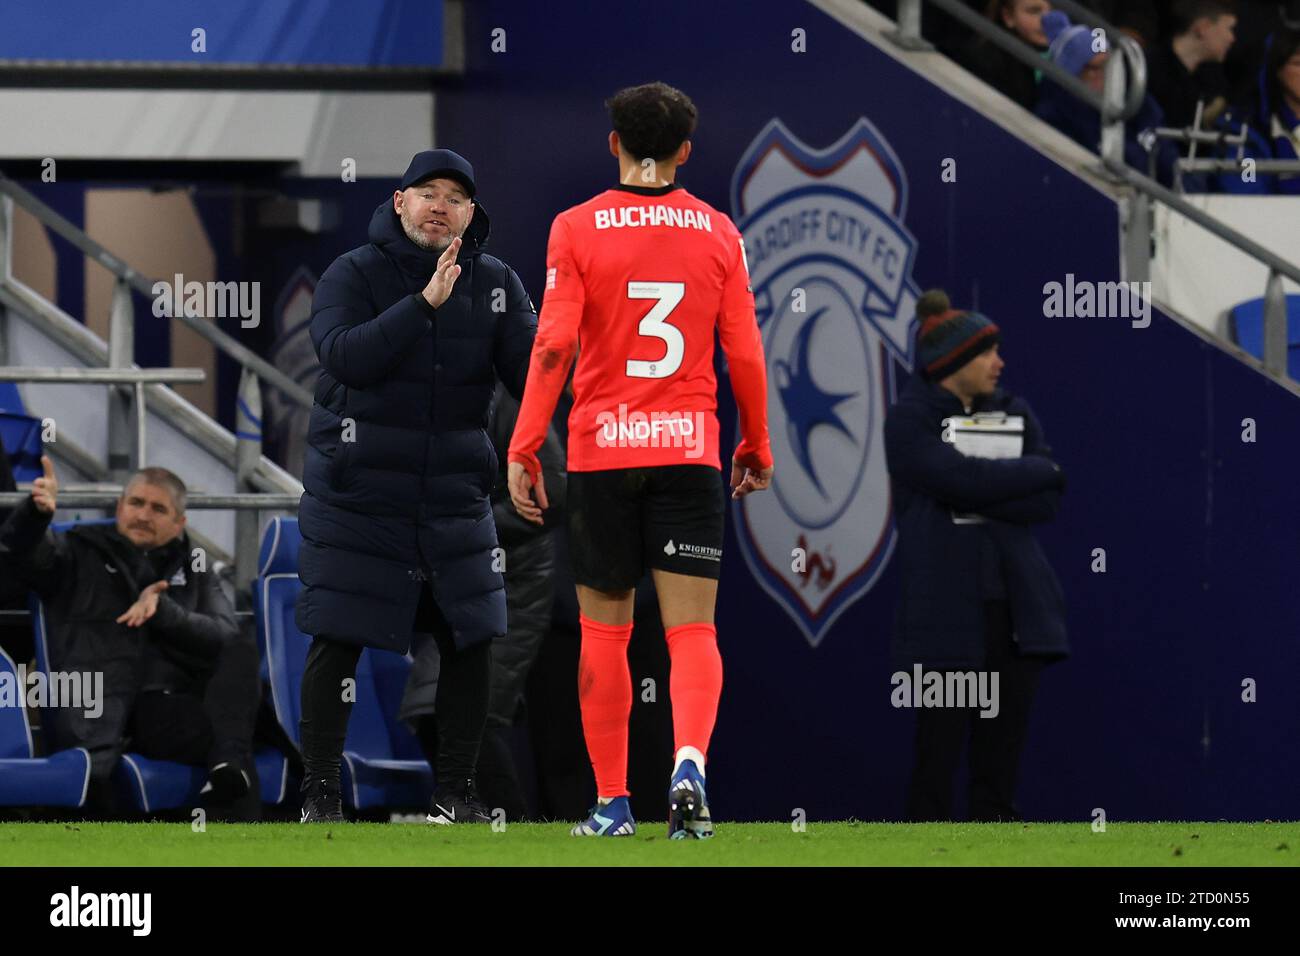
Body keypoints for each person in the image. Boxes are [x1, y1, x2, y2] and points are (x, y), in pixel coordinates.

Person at [506, 81, 774, 839]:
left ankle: (613, 803)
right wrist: (754, 441)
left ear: (613, 143)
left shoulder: (576, 227)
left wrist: (525, 443)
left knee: (605, 637)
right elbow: (745, 353)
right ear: (686, 150)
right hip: (688, 450)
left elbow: (554, 344)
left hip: (601, 457)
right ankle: (689, 761)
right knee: (692, 634)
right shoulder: (718, 232)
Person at [295, 149, 536, 824]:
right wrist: (424, 304)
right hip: (358, 495)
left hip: (453, 498)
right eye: (426, 192)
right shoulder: (353, 272)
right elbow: (346, 355)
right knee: (337, 637)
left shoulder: (495, 282)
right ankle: (319, 796)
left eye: (454, 197)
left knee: (472, 638)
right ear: (398, 202)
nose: (439, 205)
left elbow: (537, 380)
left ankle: (455, 796)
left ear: (469, 215)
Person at [884, 291, 1068, 822]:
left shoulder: (1015, 411)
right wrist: (1015, 478)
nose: (1000, 363)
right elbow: (961, 480)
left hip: (1016, 613)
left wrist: (981, 484)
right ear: (954, 362)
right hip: (942, 615)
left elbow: (1049, 492)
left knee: (999, 771)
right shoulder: (908, 421)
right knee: (935, 765)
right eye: (987, 353)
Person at [0, 458, 261, 817]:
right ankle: (239, 796)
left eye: (158, 508)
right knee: (249, 735)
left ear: (179, 523)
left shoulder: (195, 568)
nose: (143, 514)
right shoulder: (77, 551)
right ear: (119, 506)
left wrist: (165, 611)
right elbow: (19, 556)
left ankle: (230, 773)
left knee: (241, 653)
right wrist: (34, 514)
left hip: (186, 702)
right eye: (136, 503)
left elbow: (224, 638)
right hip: (116, 711)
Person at [398, 381, 567, 822]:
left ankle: (509, 826)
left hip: (516, 577)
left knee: (475, 710)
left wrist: (467, 527)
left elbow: (554, 494)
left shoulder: (511, 397)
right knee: (429, 706)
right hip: (459, 576)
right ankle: (472, 818)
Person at [1034, 10, 1181, 185]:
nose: (1101, 75)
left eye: (1105, 66)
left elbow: (1168, 157)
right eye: (1091, 68)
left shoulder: (1134, 100)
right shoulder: (1053, 114)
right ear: (1069, 72)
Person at [1146, 0, 1238, 134]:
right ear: (1203, 28)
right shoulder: (1148, 69)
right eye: (1229, 28)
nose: (1232, 38)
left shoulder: (1214, 81)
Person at [959, 0, 1054, 111]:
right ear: (1008, 17)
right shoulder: (987, 61)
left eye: (1053, 12)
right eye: (1034, 11)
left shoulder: (1031, 64)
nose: (1049, 20)